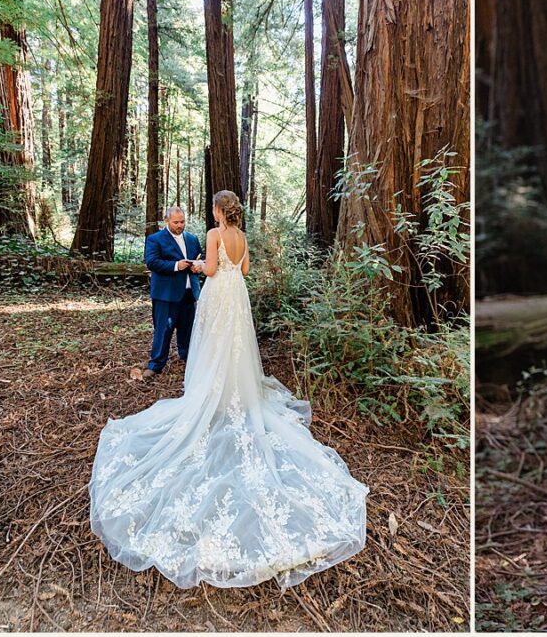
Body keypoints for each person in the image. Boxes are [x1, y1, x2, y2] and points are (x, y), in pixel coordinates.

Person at [90, 190, 368, 589]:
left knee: (216, 347)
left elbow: (213, 271)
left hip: (220, 295)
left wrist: (201, 263)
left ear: (220, 211)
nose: (211, 213)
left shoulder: (214, 233)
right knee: (235, 351)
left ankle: (213, 397)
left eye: (214, 209)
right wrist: (219, 265)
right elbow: (245, 270)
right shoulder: (243, 237)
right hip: (239, 298)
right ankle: (234, 394)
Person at [141, 207, 204, 381]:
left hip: (189, 292)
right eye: (176, 222)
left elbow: (202, 256)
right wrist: (176, 265)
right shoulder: (155, 239)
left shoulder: (192, 238)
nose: (180, 225)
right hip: (165, 294)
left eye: (182, 221)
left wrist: (197, 264)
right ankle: (156, 364)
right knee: (163, 330)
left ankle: (187, 358)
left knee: (187, 329)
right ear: (167, 221)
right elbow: (152, 262)